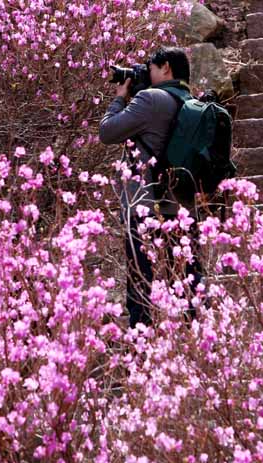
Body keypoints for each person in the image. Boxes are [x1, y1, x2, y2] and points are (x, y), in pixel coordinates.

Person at [98, 47, 201, 328]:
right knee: (184, 279)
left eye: (150, 66)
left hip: (145, 205)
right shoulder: (190, 100)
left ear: (165, 67)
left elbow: (108, 132)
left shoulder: (150, 99)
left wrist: (120, 98)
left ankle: (141, 341)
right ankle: (192, 336)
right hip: (181, 204)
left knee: (141, 282)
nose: (146, 72)